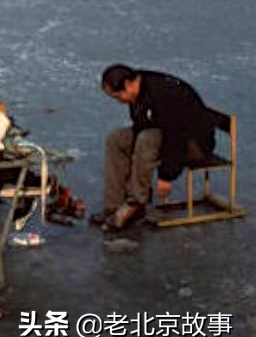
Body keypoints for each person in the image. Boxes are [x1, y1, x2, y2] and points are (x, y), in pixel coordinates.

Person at [93, 65, 216, 231]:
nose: (119, 101)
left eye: (118, 96)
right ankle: (114, 205)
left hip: (193, 144)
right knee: (116, 139)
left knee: (147, 139)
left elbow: (176, 134)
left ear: (129, 84)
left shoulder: (164, 93)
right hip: (165, 136)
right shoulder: (138, 92)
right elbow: (141, 125)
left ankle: (135, 203)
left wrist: (166, 175)